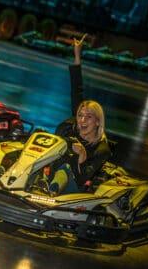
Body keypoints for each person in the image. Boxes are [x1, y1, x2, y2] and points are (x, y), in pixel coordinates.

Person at [42, 37, 111, 196]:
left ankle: (51, 191)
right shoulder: (71, 130)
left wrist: (82, 155)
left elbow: (84, 178)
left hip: (75, 188)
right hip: (51, 173)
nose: (82, 120)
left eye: (89, 117)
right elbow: (76, 90)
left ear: (98, 121)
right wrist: (77, 56)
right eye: (80, 115)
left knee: (65, 168)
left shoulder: (101, 149)